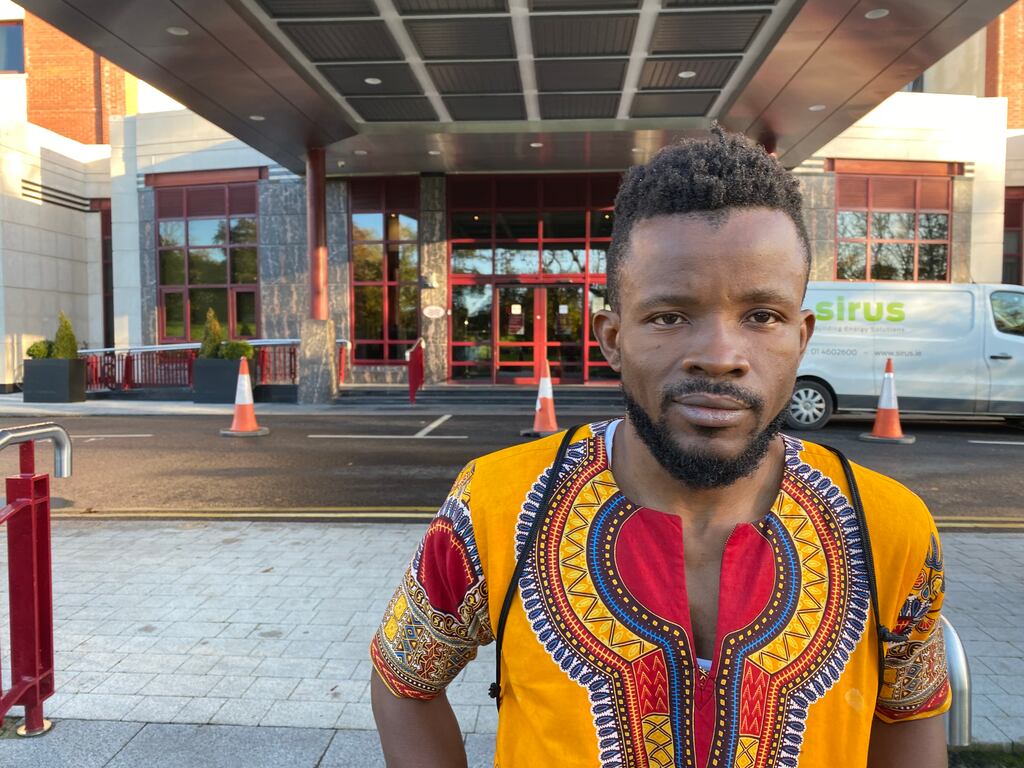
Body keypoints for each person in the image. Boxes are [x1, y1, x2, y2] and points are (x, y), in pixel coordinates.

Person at [370, 127, 950, 768]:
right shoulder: (495, 507)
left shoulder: (890, 529)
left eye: (762, 316)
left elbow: (910, 714)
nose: (722, 358)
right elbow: (405, 682)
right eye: (670, 316)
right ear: (612, 338)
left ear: (801, 336)